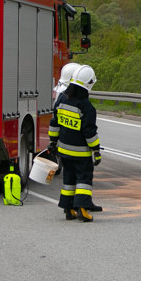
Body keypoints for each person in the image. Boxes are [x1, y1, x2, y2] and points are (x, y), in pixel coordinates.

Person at [48, 65, 102, 222]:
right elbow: (89, 132)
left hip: (64, 151)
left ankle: (68, 208)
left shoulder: (62, 99)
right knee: (84, 179)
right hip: (81, 153)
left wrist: (52, 141)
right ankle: (83, 210)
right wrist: (96, 150)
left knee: (69, 180)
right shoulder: (87, 107)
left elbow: (54, 122)